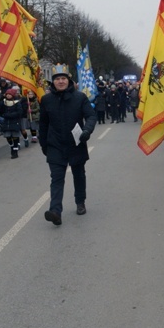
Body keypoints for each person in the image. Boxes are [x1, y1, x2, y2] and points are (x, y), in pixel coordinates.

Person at [39, 64, 97, 226]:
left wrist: (87, 131)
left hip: (76, 143)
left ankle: (80, 201)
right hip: (55, 145)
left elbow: (91, 116)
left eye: (63, 78)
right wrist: (44, 144)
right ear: (53, 82)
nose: (61, 81)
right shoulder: (46, 100)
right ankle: (55, 211)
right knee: (56, 178)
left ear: (69, 80)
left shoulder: (80, 97)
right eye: (57, 79)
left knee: (78, 174)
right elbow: (43, 124)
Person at [0, 88, 24, 159]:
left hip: (14, 121)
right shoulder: (3, 102)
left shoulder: (17, 103)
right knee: (8, 136)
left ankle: (14, 152)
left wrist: (11, 115)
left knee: (15, 137)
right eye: (7, 94)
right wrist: (4, 115)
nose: (8, 95)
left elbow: (19, 112)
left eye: (10, 94)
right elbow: (1, 112)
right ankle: (12, 146)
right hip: (6, 122)